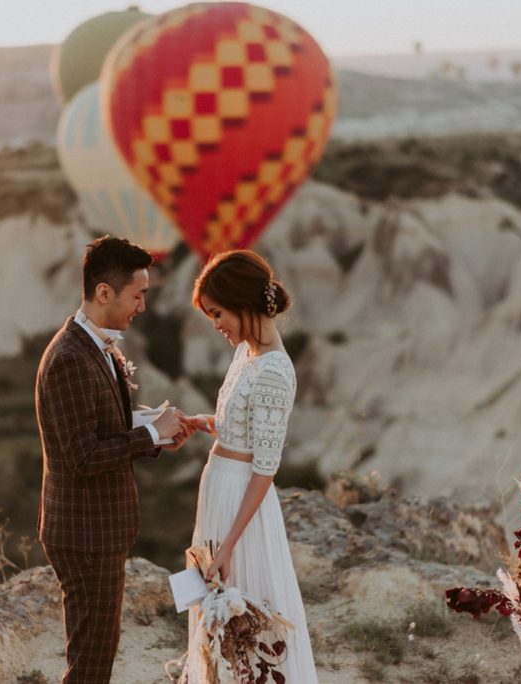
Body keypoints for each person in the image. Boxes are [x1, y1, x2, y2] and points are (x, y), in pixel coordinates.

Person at [36, 236, 190, 683]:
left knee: (94, 656)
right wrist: (147, 436)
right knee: (90, 665)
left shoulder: (96, 348)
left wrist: (155, 427)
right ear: (105, 292)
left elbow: (102, 425)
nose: (142, 305)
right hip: (85, 532)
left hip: (96, 528)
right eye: (138, 294)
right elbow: (82, 455)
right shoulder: (68, 358)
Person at [181, 249, 318, 683]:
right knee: (216, 616)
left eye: (218, 313)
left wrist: (228, 546)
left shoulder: (275, 370)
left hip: (242, 505)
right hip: (219, 492)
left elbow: (264, 467)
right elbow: (240, 429)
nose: (216, 326)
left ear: (243, 303)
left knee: (244, 618)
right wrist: (202, 423)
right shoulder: (247, 353)